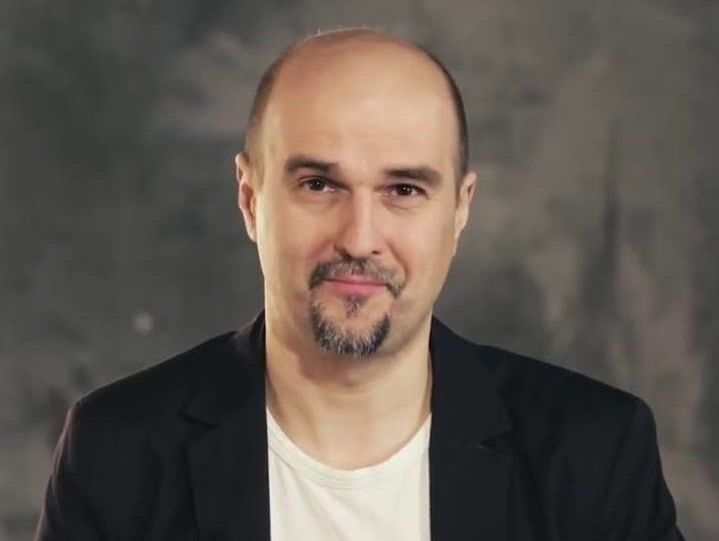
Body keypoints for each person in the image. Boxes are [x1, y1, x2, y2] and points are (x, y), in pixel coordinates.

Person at [35, 28, 684, 541]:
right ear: (249, 198)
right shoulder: (118, 451)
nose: (359, 237)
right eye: (319, 185)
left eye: (404, 189)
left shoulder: (591, 452)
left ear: (460, 209)